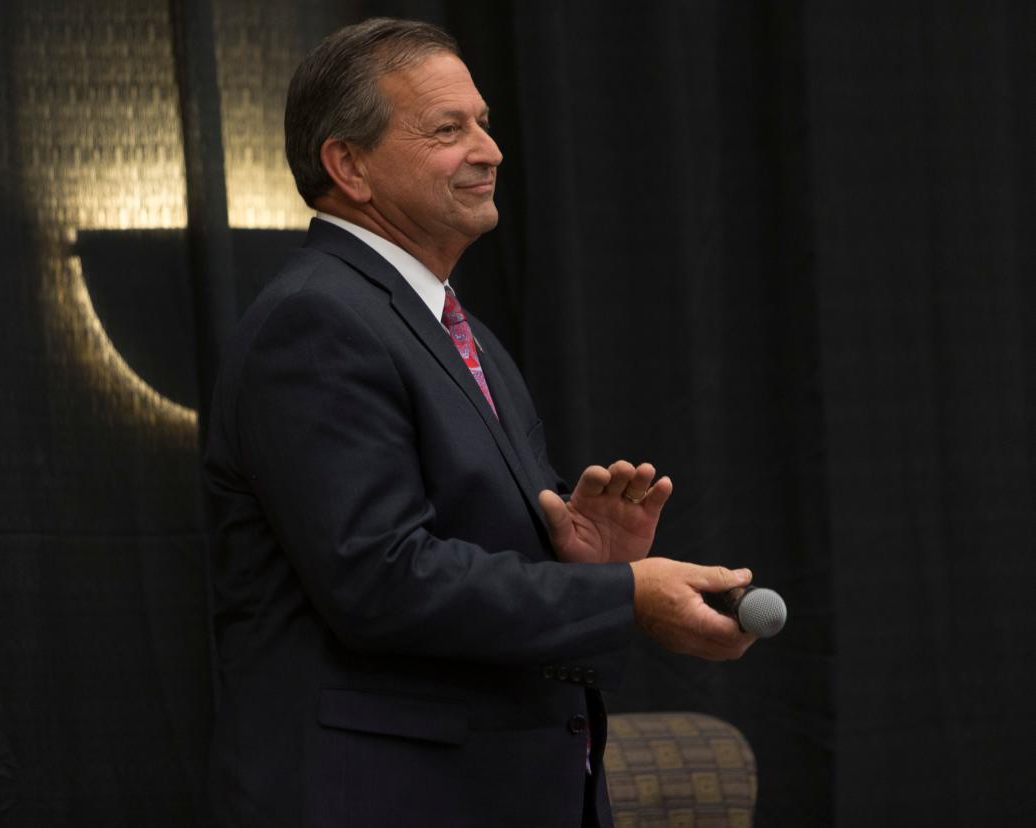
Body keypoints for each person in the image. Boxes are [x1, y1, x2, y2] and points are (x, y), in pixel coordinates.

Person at [204, 18, 755, 827]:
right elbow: (381, 581)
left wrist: (583, 562)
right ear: (347, 165)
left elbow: (463, 567)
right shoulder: (316, 322)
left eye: (486, 123)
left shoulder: (461, 332)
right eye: (447, 129)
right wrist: (622, 596)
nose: (490, 150)